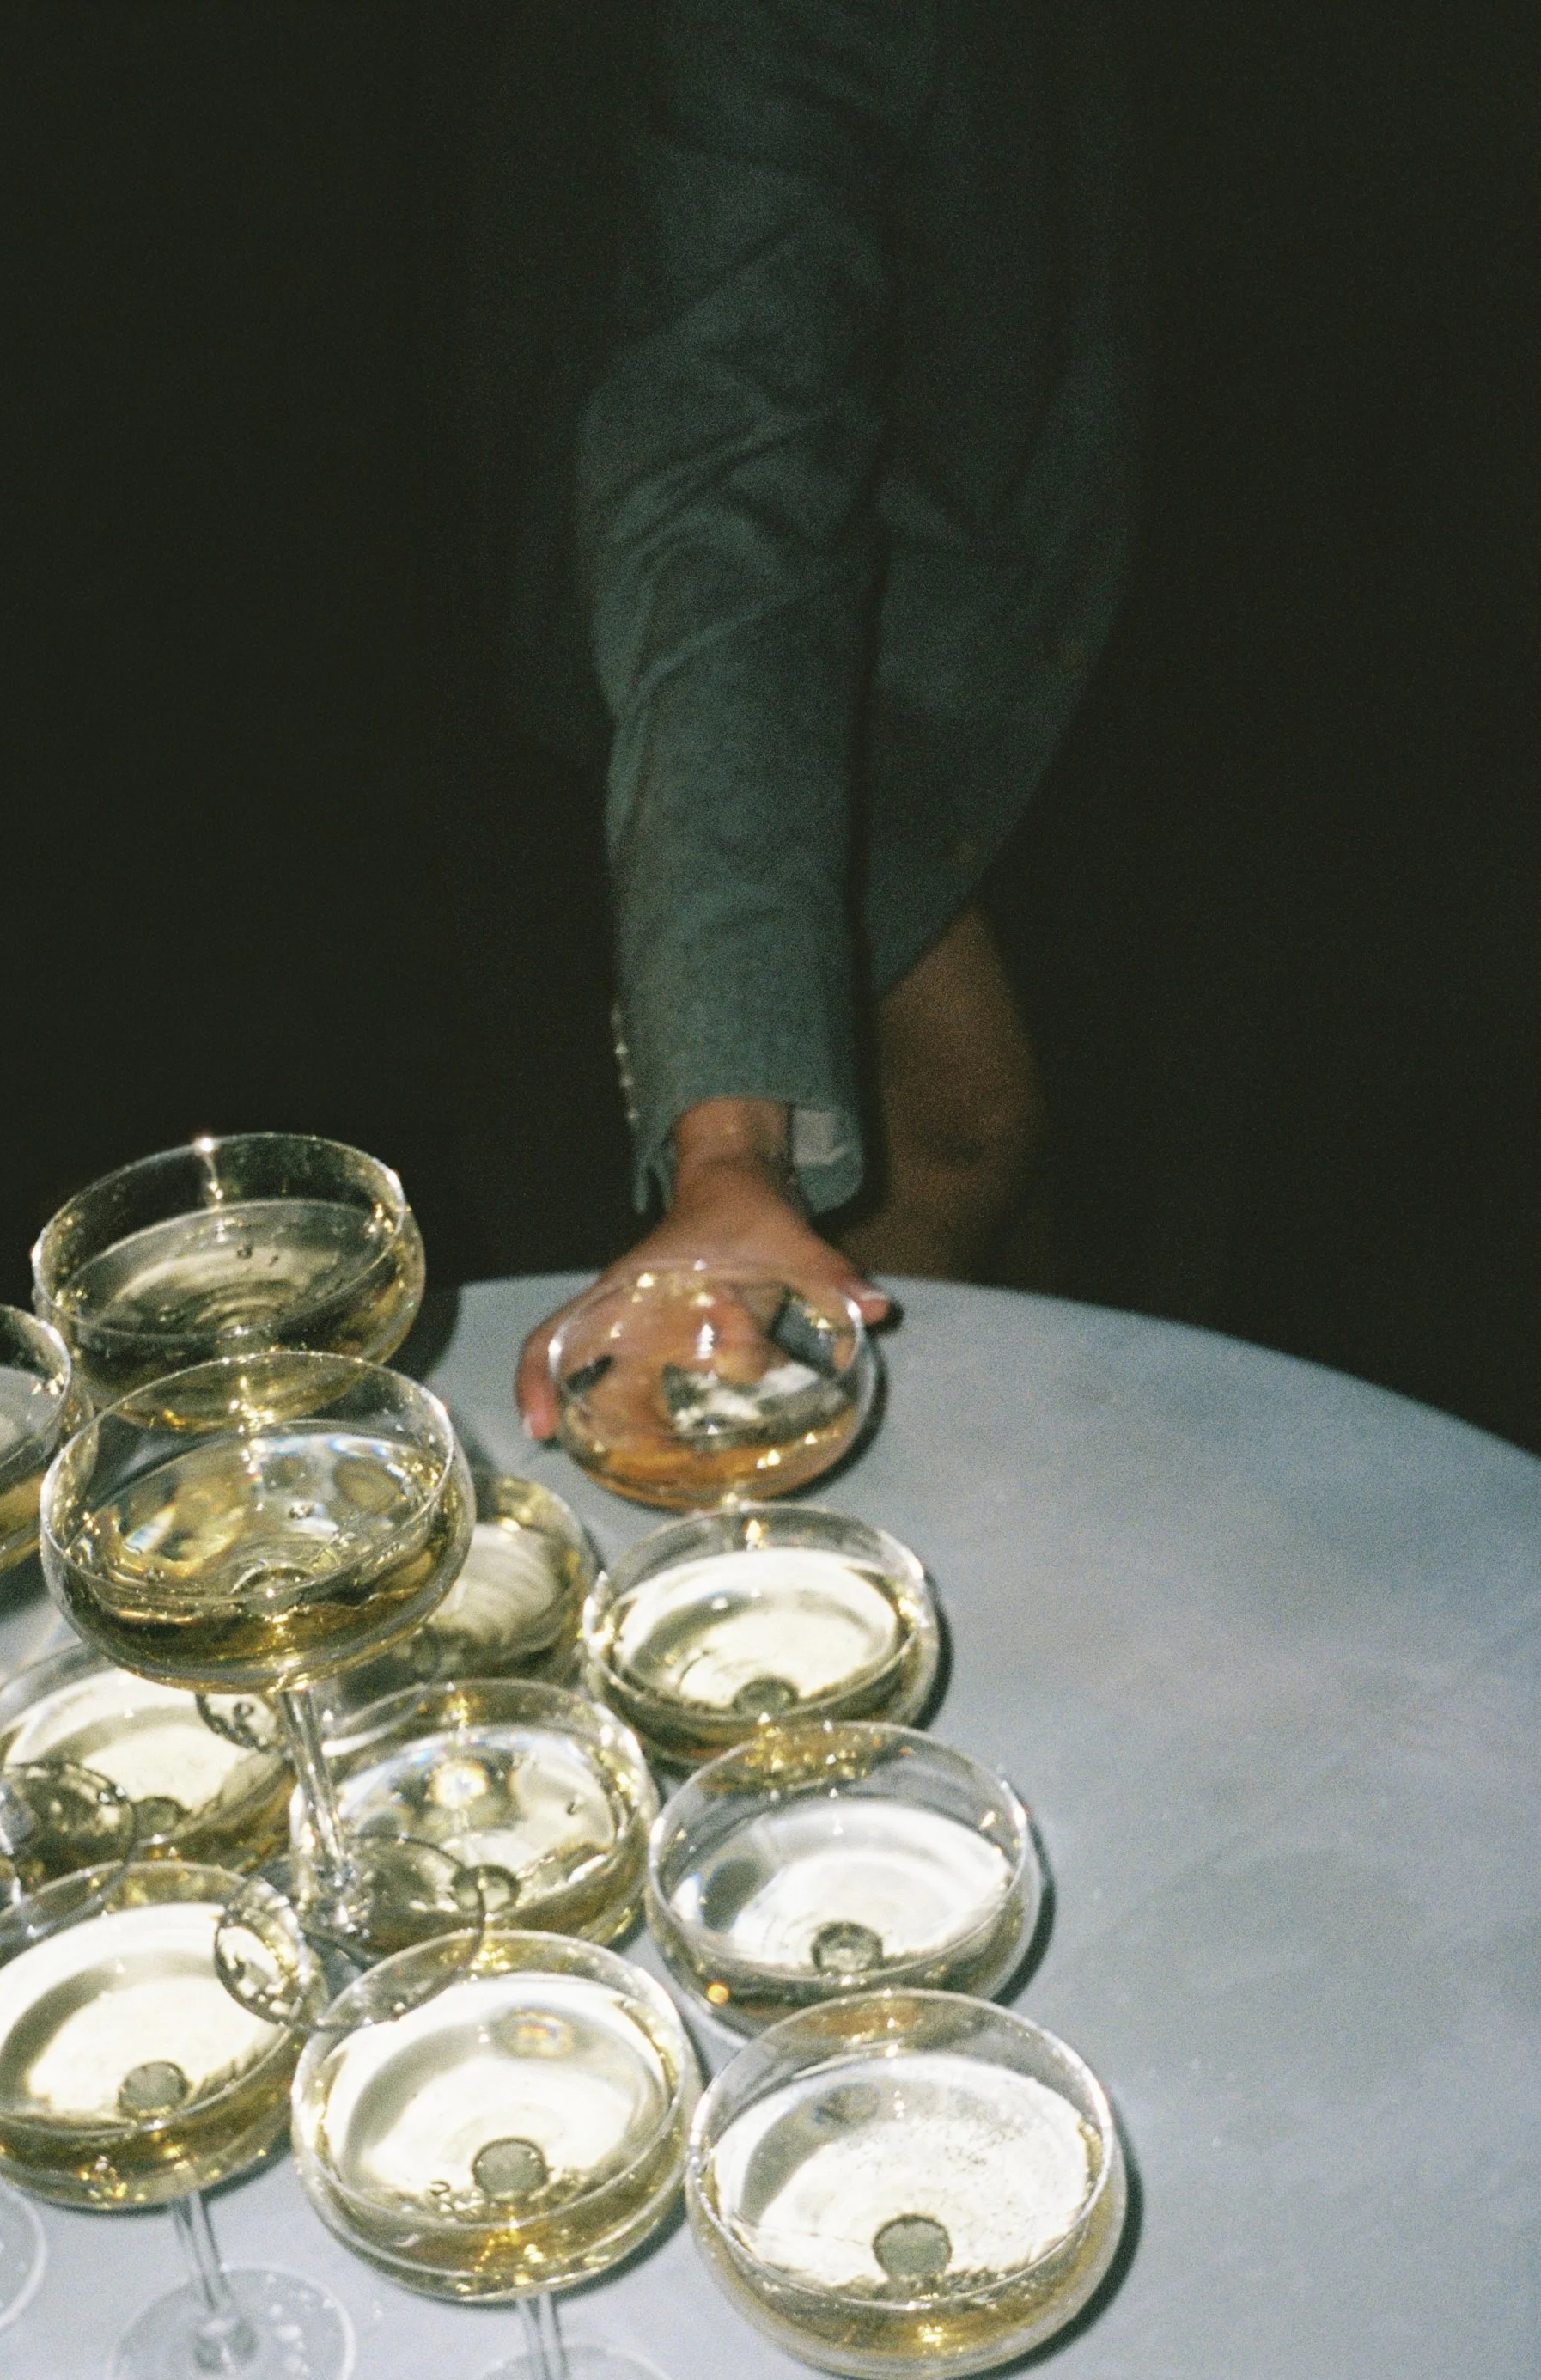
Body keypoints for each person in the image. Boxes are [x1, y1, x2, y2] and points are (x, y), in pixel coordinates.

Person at [444, 0, 1138, 1431]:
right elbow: (719, 496)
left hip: (1007, 537)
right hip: (745, 580)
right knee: (956, 1128)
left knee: (1030, 1147)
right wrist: (728, 1151)